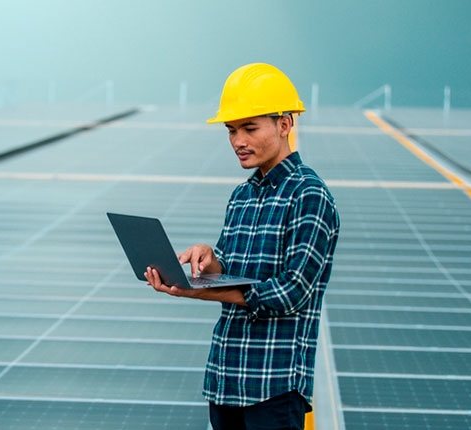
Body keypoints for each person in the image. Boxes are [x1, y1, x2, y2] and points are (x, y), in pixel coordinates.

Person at [144, 63, 340, 430]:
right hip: (225, 380)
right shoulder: (242, 196)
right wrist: (210, 261)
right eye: (232, 130)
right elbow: (230, 276)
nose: (238, 141)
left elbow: (290, 292)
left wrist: (194, 293)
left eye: (250, 128)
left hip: (273, 388)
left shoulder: (308, 194)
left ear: (284, 124)